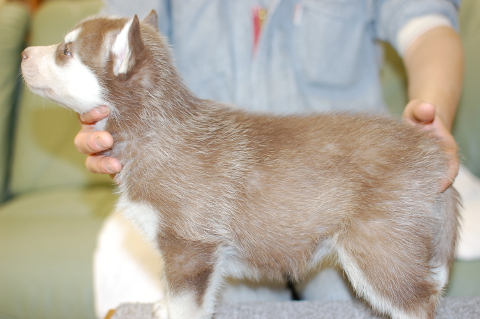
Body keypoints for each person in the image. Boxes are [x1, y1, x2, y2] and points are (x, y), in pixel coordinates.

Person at [73, 1, 464, 318]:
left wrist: (433, 112)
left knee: (374, 297)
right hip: (209, 207)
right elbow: (116, 43)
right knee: (213, 295)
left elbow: (426, 23)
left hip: (347, 183)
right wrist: (105, 117)